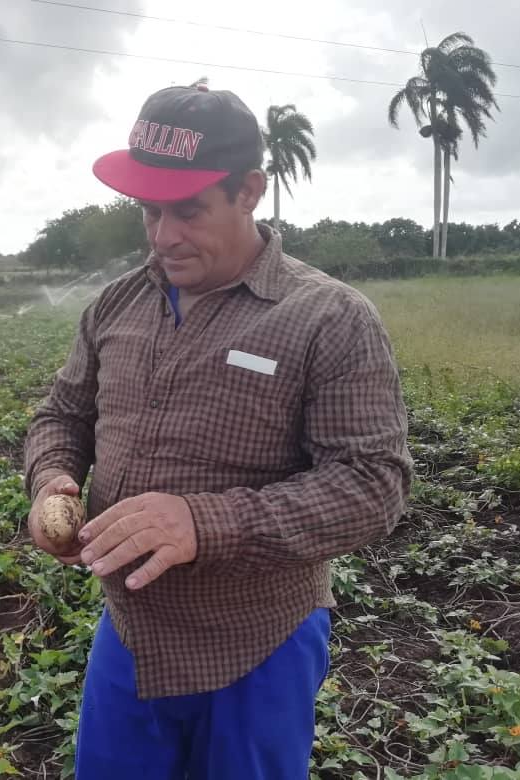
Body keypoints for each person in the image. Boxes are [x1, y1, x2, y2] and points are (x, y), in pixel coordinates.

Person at [23, 83, 412, 780]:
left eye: (188, 210)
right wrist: (51, 478)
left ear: (250, 191)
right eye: (150, 210)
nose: (163, 235)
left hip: (258, 644)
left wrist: (204, 523)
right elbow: (63, 413)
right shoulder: (117, 304)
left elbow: (372, 485)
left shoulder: (328, 317)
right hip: (132, 632)